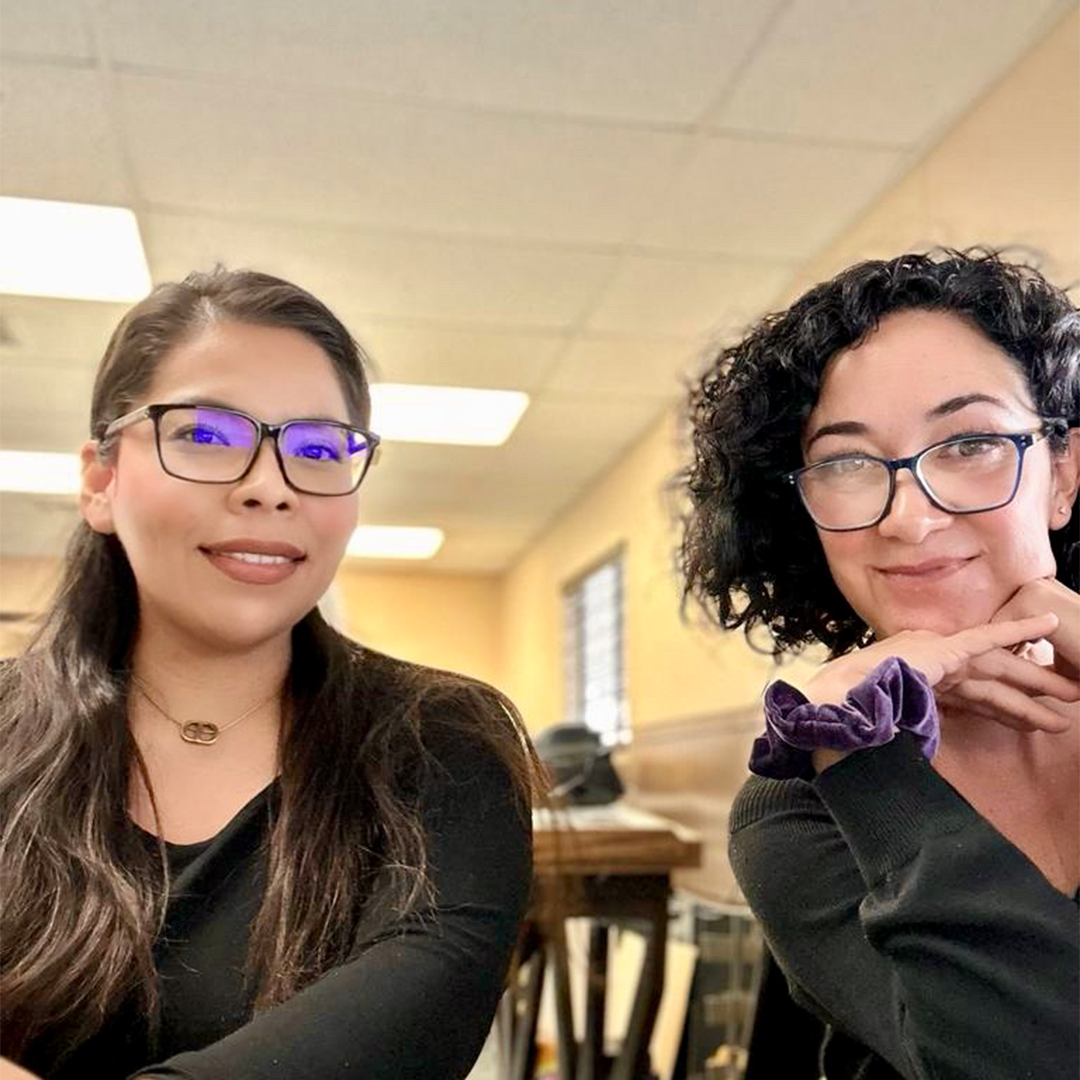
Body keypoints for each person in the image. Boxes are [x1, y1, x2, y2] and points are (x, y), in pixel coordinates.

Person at [0, 269, 539, 1080]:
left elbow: (413, 1026)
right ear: (101, 480)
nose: (269, 487)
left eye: (319, 450)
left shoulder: (443, 740)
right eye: (208, 436)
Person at [680, 249, 1079, 1080]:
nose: (911, 516)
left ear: (1064, 476)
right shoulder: (798, 802)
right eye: (849, 464)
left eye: (969, 442)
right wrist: (856, 747)